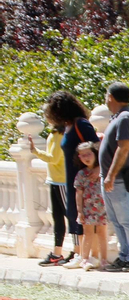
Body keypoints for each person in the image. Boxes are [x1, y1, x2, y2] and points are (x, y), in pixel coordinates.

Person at [42, 92, 93, 266]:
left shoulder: (81, 124)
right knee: (73, 214)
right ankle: (79, 255)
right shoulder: (68, 126)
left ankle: (81, 254)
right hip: (72, 178)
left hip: (82, 178)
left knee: (79, 216)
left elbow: (95, 146)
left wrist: (96, 169)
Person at [100, 83, 129, 271]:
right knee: (117, 221)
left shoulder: (125, 118)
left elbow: (124, 147)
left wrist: (111, 175)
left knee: (126, 219)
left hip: (119, 179)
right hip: (111, 179)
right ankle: (124, 256)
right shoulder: (118, 118)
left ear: (110, 97)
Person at [27, 112, 68, 266]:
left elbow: (53, 158)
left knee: (70, 217)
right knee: (58, 218)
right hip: (56, 180)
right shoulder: (56, 133)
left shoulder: (59, 135)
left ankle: (79, 252)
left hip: (62, 181)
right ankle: (57, 254)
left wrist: (35, 151)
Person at [72, 143, 108, 270]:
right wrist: (80, 211)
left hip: (102, 208)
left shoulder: (103, 170)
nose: (86, 157)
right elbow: (79, 193)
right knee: (88, 233)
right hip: (88, 209)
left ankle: (104, 259)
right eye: (83, 155)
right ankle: (85, 259)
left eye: (88, 154)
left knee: (102, 233)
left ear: (95, 153)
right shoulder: (82, 174)